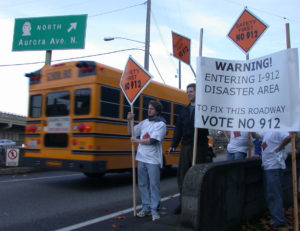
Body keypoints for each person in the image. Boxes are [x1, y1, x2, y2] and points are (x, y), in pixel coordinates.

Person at [168, 83, 211, 214]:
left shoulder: (204, 109)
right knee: (182, 175)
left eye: (191, 91)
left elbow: (209, 126)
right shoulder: (184, 111)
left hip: (199, 146)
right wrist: (173, 145)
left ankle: (198, 203)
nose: (189, 93)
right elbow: (178, 129)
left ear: (197, 93)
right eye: (188, 92)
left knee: (197, 175)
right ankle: (183, 203)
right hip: (186, 146)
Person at [127, 100, 166, 221]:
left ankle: (155, 210)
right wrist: (129, 120)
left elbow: (153, 140)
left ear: (157, 111)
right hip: (141, 158)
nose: (149, 110)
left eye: (152, 109)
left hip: (153, 160)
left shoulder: (161, 124)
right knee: (143, 184)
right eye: (148, 108)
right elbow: (131, 132)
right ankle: (146, 208)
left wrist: (137, 141)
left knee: (154, 185)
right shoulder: (144, 123)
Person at [252, 131, 291, 228]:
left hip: (274, 166)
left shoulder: (279, 129)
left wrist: (279, 148)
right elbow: (257, 136)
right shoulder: (266, 129)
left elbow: (288, 137)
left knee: (274, 194)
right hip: (267, 166)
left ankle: (279, 220)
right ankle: (275, 217)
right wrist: (250, 129)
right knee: (270, 194)